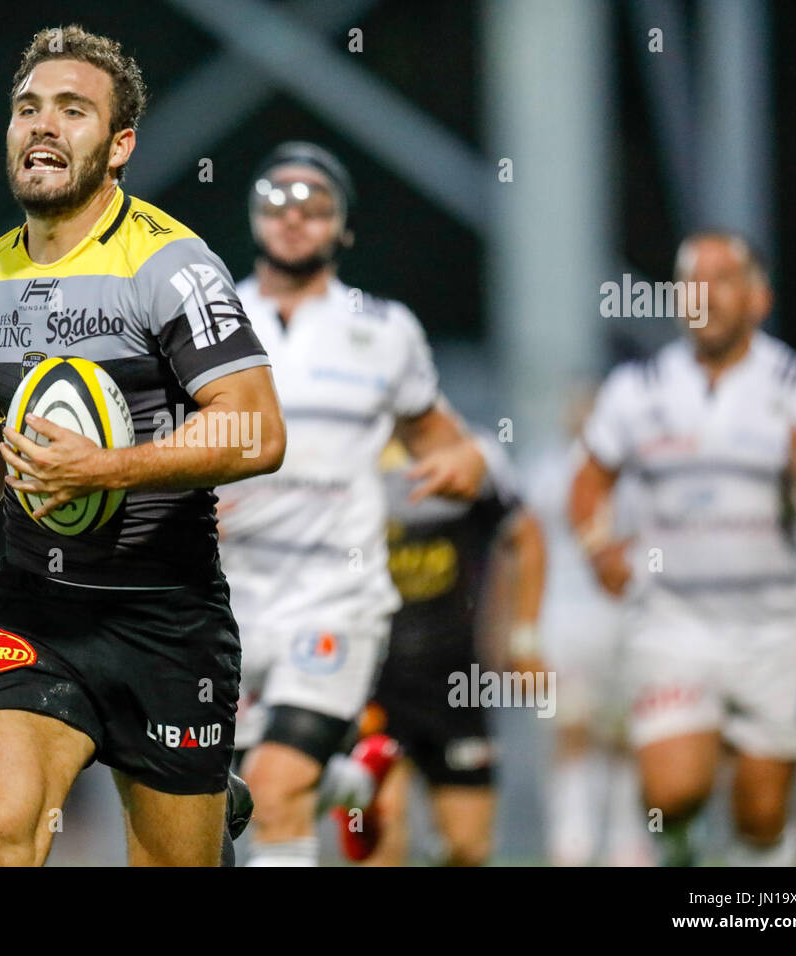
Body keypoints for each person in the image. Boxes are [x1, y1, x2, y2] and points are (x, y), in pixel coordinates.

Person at [0, 24, 285, 867]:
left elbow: (256, 428)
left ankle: (209, 801)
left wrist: (104, 468)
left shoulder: (172, 265)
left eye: (72, 112)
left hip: (167, 618)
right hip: (36, 611)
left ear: (119, 146)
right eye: (27, 109)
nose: (43, 125)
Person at [213, 142, 489, 867]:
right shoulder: (209, 318)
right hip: (225, 601)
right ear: (252, 219)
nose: (295, 217)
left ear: (344, 229)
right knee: (222, 803)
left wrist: (466, 462)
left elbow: (444, 438)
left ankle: (324, 780)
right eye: (277, 201)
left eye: (316, 206)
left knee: (274, 790)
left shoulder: (383, 330)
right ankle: (350, 780)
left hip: (337, 596)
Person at [570, 232, 796, 865]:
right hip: (674, 623)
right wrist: (598, 548)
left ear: (758, 297)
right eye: (691, 280)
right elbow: (588, 480)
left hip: (775, 629)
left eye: (722, 278)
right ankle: (686, 861)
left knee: (760, 810)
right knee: (671, 792)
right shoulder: (638, 388)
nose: (704, 294)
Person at [350, 433, 544, 866]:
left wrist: (524, 639)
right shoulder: (343, 450)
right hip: (372, 678)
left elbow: (527, 536)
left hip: (455, 679)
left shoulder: (470, 456)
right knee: (382, 841)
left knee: (468, 848)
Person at [523, 388, 652, 866]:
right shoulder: (546, 469)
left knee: (624, 733)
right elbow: (525, 552)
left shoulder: (634, 472)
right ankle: (572, 838)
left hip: (622, 616)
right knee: (571, 730)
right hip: (565, 617)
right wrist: (523, 631)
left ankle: (626, 841)